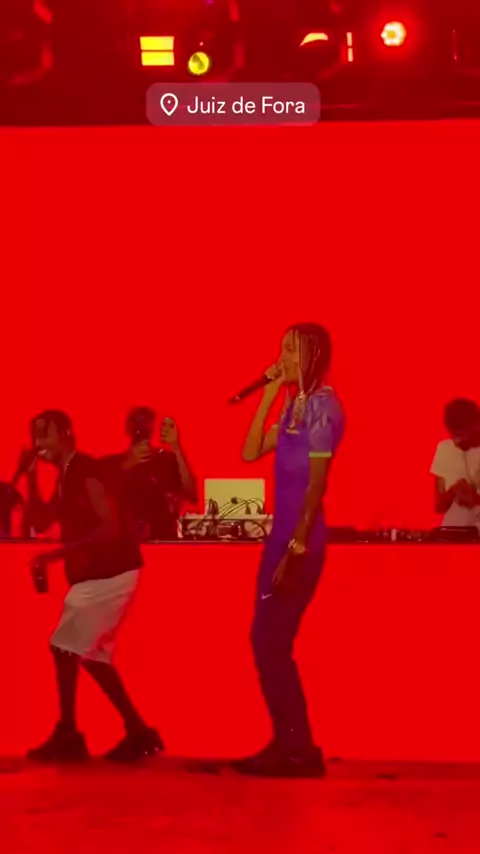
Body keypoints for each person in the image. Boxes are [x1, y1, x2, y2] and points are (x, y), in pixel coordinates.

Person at [235, 323, 345, 777]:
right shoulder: (293, 405)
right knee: (266, 642)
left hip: (300, 541)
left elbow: (317, 486)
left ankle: (298, 747)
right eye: (281, 349)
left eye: (291, 351)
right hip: (279, 538)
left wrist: (296, 547)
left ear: (314, 356)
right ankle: (290, 743)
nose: (282, 357)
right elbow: (249, 452)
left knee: (273, 643)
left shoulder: (323, 408)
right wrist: (269, 393)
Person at [23, 410, 162, 762]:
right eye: (35, 436)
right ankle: (139, 733)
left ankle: (69, 734)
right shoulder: (66, 475)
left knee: (64, 648)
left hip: (109, 573)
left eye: (45, 435)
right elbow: (40, 520)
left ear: (66, 433)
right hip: (103, 575)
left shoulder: (84, 471)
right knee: (93, 656)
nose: (38, 444)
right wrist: (31, 477)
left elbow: (109, 528)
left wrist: (58, 554)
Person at [101, 407, 197, 541]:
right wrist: (129, 463)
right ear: (128, 428)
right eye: (138, 423)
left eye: (147, 423)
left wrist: (176, 446)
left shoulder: (166, 461)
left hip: (163, 540)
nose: (142, 428)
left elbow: (191, 494)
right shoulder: (112, 464)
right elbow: (102, 498)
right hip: (126, 543)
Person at [430, 398, 480, 530]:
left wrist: (474, 498)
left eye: (461, 434)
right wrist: (453, 492)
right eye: (453, 435)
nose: (456, 442)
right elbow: (439, 506)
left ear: (477, 425)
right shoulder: (444, 449)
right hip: (453, 530)